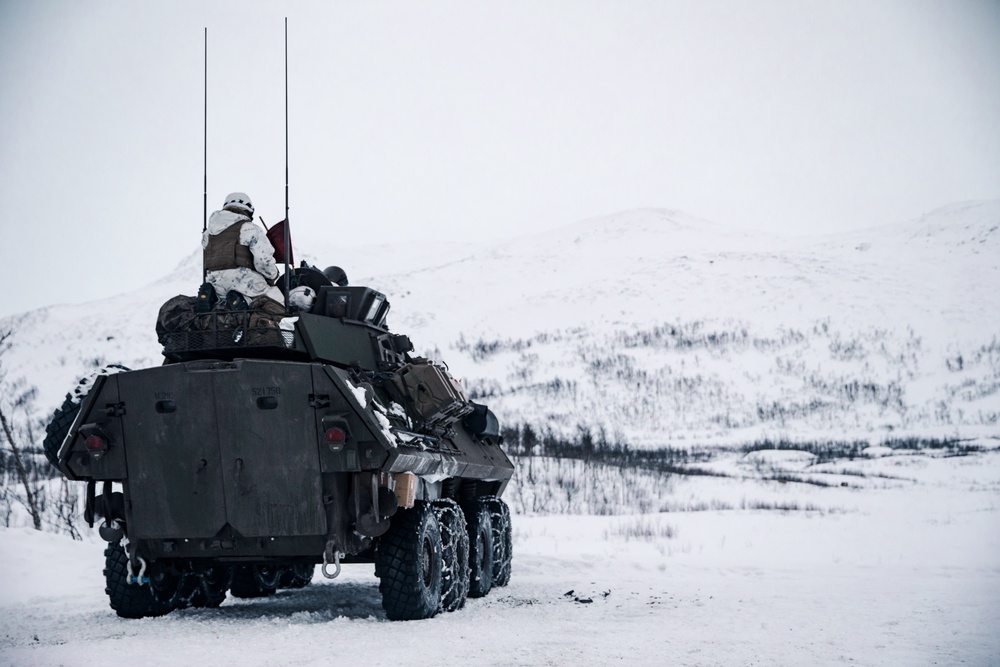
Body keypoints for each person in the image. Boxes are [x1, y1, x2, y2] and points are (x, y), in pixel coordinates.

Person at [202, 192, 284, 306]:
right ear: (248, 210)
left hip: (215, 284)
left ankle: (211, 299)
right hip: (244, 282)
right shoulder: (250, 228)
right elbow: (263, 261)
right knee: (278, 300)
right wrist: (273, 275)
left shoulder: (207, 233)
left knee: (220, 300)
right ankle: (243, 300)